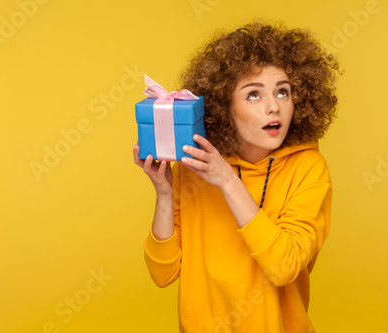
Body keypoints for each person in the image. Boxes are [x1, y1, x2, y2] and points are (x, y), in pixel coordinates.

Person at [133, 21, 340, 333]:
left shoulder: (308, 168)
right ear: (223, 107)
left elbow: (284, 267)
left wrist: (227, 181)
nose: (274, 108)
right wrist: (164, 194)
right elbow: (163, 275)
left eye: (283, 92)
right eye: (254, 95)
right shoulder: (196, 168)